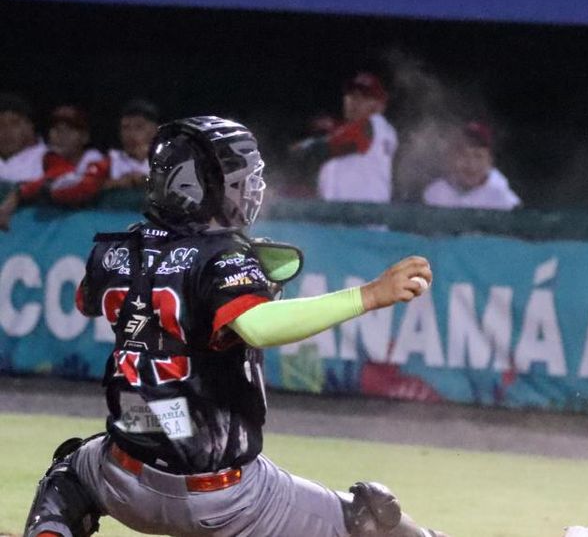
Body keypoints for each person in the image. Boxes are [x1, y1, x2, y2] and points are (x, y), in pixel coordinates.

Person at [23, 116, 449, 537]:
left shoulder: (117, 250)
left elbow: (87, 301)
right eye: (239, 178)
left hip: (125, 476)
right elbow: (259, 327)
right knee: (370, 516)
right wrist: (369, 295)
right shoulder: (223, 255)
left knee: (71, 472)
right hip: (224, 498)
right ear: (206, 187)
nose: (249, 188)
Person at [292, 72, 398, 203]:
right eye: (350, 95)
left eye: (364, 96)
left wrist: (306, 145)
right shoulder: (375, 132)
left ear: (379, 105)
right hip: (350, 214)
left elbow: (326, 147)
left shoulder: (374, 123)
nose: (353, 100)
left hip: (360, 216)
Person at [0, 105, 105, 230]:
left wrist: (19, 193)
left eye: (14, 123)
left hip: (65, 233)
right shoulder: (52, 156)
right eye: (56, 130)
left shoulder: (49, 156)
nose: (6, 131)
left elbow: (67, 180)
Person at [422, 121, 521, 211]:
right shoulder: (435, 193)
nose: (471, 164)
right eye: (464, 155)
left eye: (478, 156)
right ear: (451, 158)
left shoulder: (505, 201)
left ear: (490, 161)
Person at [103, 99, 159, 191]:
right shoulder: (110, 160)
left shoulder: (167, 161)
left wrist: (145, 180)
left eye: (139, 127)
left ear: (154, 131)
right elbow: (91, 189)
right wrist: (118, 183)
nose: (130, 133)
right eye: (125, 127)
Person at [0, 92, 47, 183]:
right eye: (0, 124)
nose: (6, 131)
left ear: (30, 126)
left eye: (14, 123)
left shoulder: (49, 159)